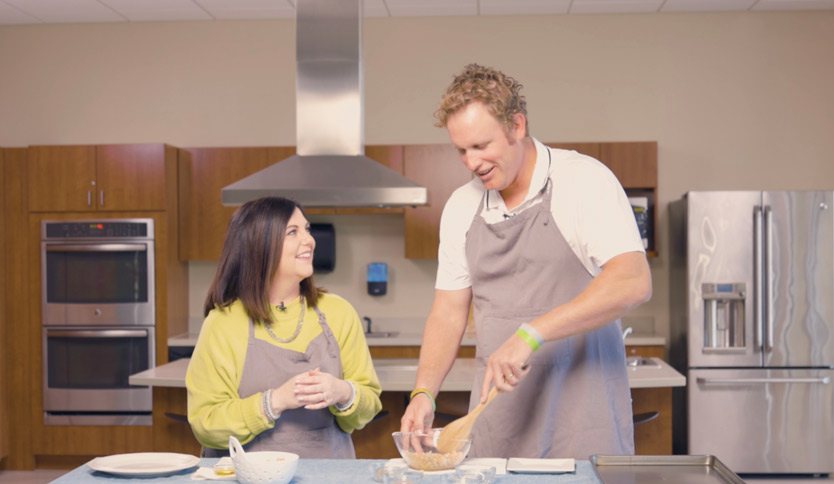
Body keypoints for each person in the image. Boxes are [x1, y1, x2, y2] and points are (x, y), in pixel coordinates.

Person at [399, 64, 652, 459]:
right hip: (500, 417)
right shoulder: (462, 207)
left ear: (516, 126)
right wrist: (423, 392)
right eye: (461, 150)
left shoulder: (582, 182)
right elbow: (448, 312)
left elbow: (631, 281)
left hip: (582, 414)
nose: (471, 162)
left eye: (482, 146)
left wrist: (530, 334)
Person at [186, 196, 382, 458]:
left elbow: (368, 405)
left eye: (307, 229)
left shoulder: (338, 312)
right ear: (259, 245)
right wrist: (273, 402)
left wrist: (343, 392)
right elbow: (206, 423)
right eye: (293, 232)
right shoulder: (223, 323)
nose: (309, 240)